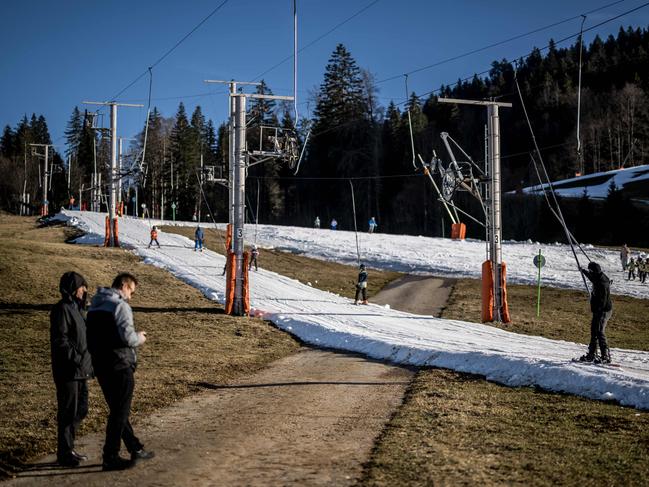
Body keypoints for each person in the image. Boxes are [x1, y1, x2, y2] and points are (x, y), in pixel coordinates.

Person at [86, 273, 154, 471]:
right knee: (119, 412)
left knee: (117, 410)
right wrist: (140, 337)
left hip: (101, 365)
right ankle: (110, 455)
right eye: (131, 291)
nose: (130, 297)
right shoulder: (120, 306)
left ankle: (135, 448)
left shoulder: (96, 305)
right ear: (124, 285)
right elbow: (128, 339)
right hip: (120, 364)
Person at [50, 271, 93, 467]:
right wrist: (76, 359)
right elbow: (61, 340)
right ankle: (64, 452)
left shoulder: (77, 309)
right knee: (68, 412)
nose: (84, 290)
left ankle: (68, 447)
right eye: (82, 286)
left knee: (81, 409)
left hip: (81, 370)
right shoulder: (62, 309)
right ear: (72, 288)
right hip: (68, 370)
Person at [579, 262, 612, 363]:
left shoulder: (602, 283)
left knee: (599, 331)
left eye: (590, 271)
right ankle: (591, 354)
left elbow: (603, 300)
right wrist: (583, 271)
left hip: (603, 311)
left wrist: (598, 311)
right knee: (594, 331)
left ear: (593, 271)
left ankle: (605, 356)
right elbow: (593, 278)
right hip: (598, 310)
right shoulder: (598, 277)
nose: (590, 273)